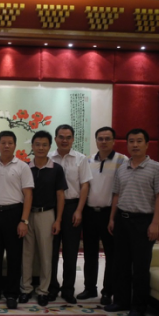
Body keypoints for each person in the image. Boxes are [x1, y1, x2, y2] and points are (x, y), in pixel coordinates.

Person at [105, 128, 159, 316]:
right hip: (122, 220)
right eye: (131, 141)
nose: (135, 145)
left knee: (140, 266)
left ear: (147, 144)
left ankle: (138, 306)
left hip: (143, 221)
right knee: (120, 264)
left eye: (139, 141)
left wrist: (155, 224)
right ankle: (121, 301)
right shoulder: (122, 167)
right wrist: (112, 219)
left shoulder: (156, 168)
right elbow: (116, 195)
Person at [0, 131, 34, 309]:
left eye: (10, 143)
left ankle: (11, 293)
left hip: (14, 214)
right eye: (3, 142)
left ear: (15, 145)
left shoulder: (22, 167)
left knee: (14, 256)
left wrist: (24, 221)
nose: (6, 146)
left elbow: (28, 195)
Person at [77, 127, 127, 305]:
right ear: (96, 140)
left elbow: (121, 190)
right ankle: (90, 288)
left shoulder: (122, 160)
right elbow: (85, 187)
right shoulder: (88, 160)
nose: (103, 142)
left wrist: (113, 218)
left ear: (114, 141)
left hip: (109, 214)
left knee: (111, 254)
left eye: (107, 138)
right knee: (90, 253)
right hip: (90, 212)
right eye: (100, 138)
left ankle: (108, 291)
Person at [20, 130, 67, 307]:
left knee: (46, 255)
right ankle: (25, 289)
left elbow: (60, 196)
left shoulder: (56, 169)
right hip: (27, 215)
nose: (41, 148)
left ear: (49, 146)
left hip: (47, 215)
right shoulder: (25, 167)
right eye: (37, 144)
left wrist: (58, 220)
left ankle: (43, 291)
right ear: (32, 146)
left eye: (44, 145)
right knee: (27, 254)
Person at [48, 124, 92, 304]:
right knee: (51, 251)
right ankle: (51, 287)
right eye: (61, 137)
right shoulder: (48, 158)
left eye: (68, 137)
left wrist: (79, 210)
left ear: (73, 139)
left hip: (73, 207)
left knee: (70, 251)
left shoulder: (81, 159)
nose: (64, 140)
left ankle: (68, 289)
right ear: (55, 139)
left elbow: (85, 185)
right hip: (51, 208)